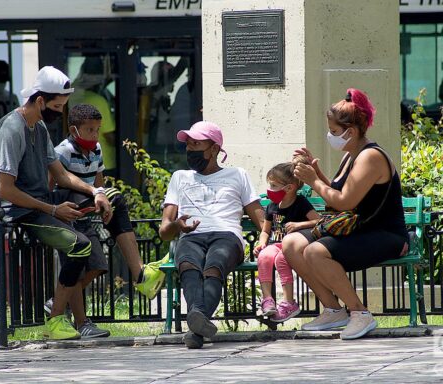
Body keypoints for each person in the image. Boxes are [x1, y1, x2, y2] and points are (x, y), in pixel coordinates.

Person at [0, 66, 113, 340]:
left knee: (100, 212)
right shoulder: (12, 129)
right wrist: (53, 209)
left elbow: (61, 174)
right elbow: (6, 190)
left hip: (40, 204)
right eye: (56, 106)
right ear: (39, 100)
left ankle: (79, 320)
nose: (59, 113)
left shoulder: (39, 126)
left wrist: (95, 191)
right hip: (18, 211)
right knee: (79, 245)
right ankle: (55, 319)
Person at [284, 88, 409, 340]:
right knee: (291, 244)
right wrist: (316, 173)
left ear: (350, 132)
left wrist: (312, 182)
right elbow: (338, 192)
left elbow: (344, 202)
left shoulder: (371, 157)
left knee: (315, 252)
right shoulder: (350, 155)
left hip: (385, 234)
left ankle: (359, 313)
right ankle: (332, 309)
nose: (330, 135)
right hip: (356, 229)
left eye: (333, 130)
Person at [51, 104, 166, 315]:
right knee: (116, 198)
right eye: (89, 130)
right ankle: (139, 273)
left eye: (97, 129)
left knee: (97, 266)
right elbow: (52, 183)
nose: (95, 135)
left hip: (86, 206)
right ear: (74, 129)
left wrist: (102, 201)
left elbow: (99, 184)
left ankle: (58, 301)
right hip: (67, 206)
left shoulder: (96, 149)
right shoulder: (62, 151)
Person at [159, 121, 264, 349]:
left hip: (227, 236)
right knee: (187, 264)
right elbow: (164, 232)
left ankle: (196, 320)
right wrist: (177, 225)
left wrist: (269, 241)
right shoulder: (179, 177)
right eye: (188, 144)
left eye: (196, 144)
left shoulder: (238, 175)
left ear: (214, 148)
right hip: (190, 236)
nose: (190, 149)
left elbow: (260, 219)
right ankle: (198, 328)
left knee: (214, 265)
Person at [254, 159, 320, 323]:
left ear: (289, 188)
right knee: (264, 256)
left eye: (274, 186)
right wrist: (261, 243)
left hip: (292, 247)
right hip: (274, 244)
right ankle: (267, 300)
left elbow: (318, 220)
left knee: (281, 259)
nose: (270, 190)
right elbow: (265, 231)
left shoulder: (301, 203)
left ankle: (289, 302)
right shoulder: (272, 206)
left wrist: (300, 224)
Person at [70, 56, 116, 176]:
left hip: (78, 160)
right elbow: (109, 136)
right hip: (105, 161)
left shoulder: (72, 93)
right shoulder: (98, 100)